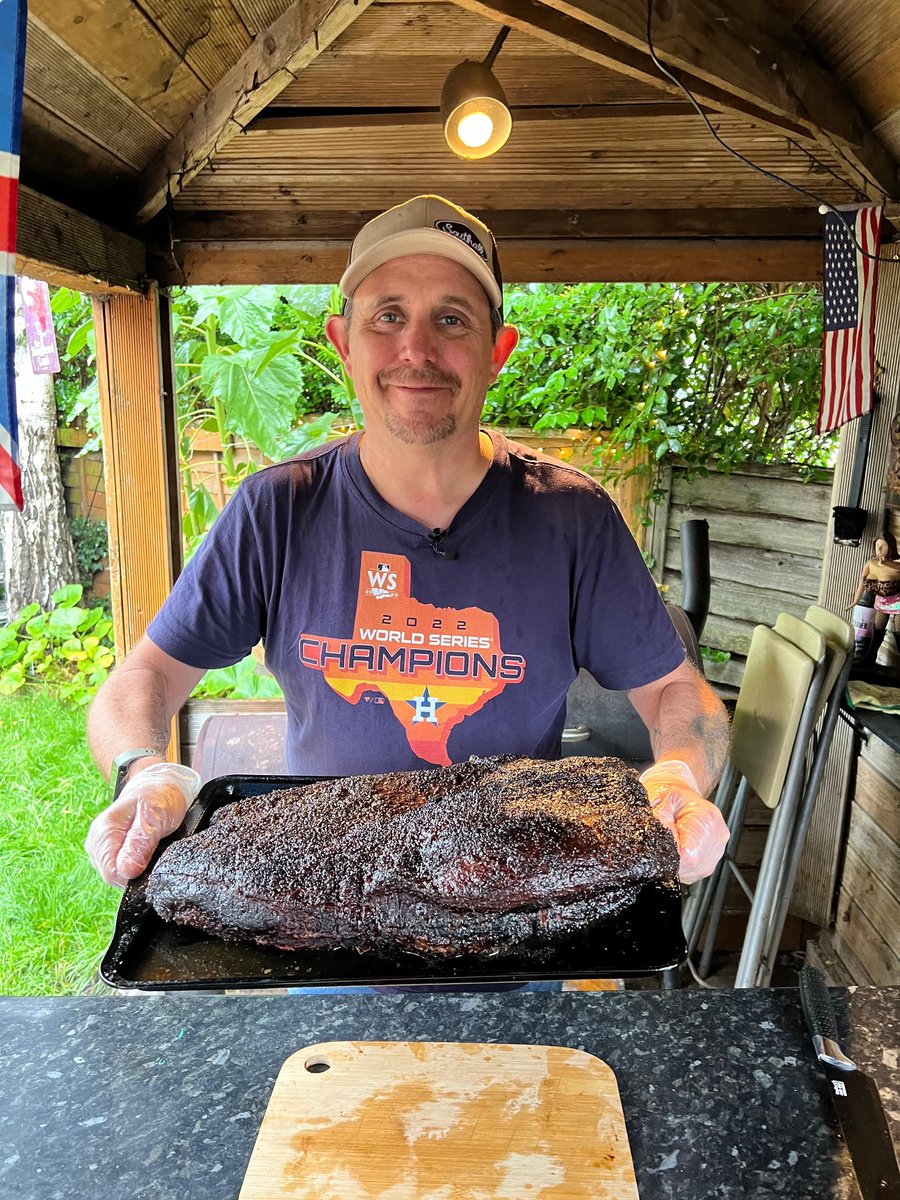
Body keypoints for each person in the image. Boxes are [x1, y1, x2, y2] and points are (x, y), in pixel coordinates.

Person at [85, 194, 730, 898]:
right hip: (320, 901)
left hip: (515, 908)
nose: (416, 349)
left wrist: (680, 775)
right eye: (387, 316)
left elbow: (676, 689)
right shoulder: (278, 509)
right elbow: (142, 678)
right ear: (343, 342)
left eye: (451, 319)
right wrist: (143, 770)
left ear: (498, 351)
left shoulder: (572, 518)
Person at [847, 532, 900, 664]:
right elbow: (862, 583)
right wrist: (855, 601)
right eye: (877, 545)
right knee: (878, 627)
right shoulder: (871, 564)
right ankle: (870, 657)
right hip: (882, 601)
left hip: (898, 602)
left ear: (891, 547)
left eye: (883, 546)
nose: (879, 549)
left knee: (899, 630)